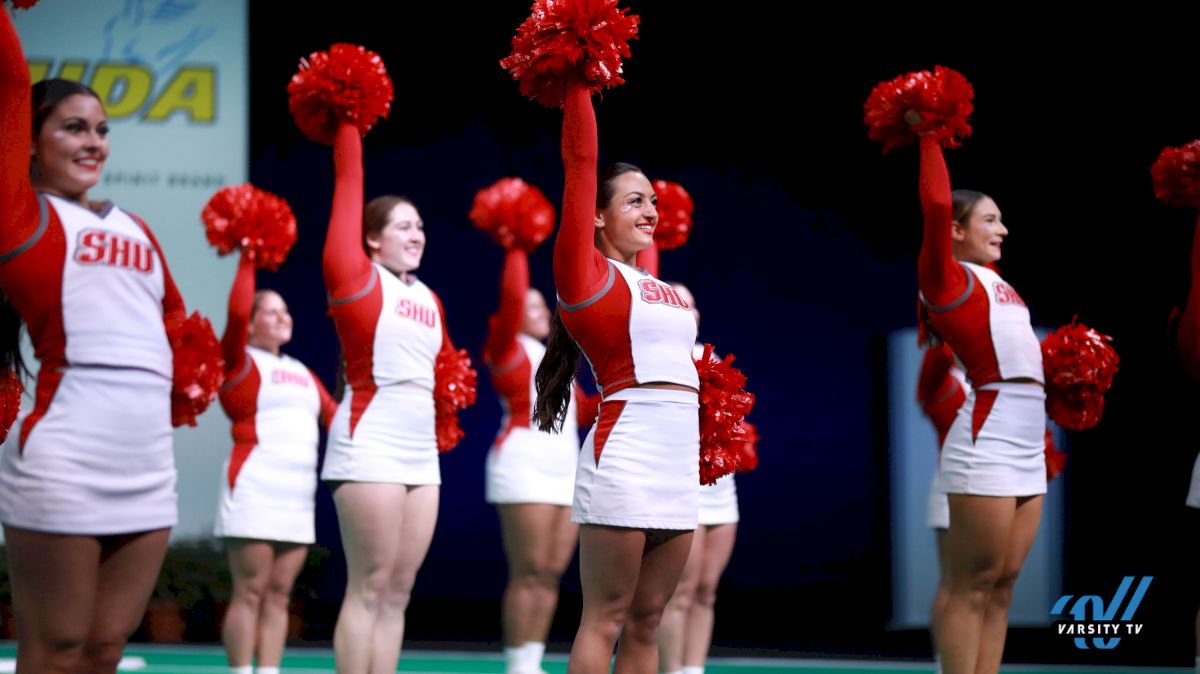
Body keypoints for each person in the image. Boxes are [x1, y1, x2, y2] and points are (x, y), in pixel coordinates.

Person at [0, 11, 189, 672]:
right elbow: (7, 84)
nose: (94, 143)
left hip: (147, 462)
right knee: (56, 647)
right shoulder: (24, 220)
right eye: (73, 127)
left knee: (106, 648)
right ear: (29, 139)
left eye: (102, 130)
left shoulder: (134, 224)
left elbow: (179, 330)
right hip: (65, 455)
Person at [532, 76, 701, 674]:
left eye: (652, 200)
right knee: (604, 617)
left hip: (679, 464)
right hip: (625, 457)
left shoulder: (656, 284)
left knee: (649, 620)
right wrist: (578, 82)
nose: (650, 211)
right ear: (596, 218)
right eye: (634, 201)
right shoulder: (587, 277)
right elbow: (581, 161)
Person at [318, 119, 465, 673]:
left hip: (419, 451)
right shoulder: (356, 279)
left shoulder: (430, 296)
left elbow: (450, 369)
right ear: (372, 238)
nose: (417, 234)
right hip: (369, 441)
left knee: (400, 591)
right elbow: (348, 182)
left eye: (421, 226)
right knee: (370, 585)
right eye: (404, 226)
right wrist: (349, 123)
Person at [914, 127, 1047, 674]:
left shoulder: (1000, 284)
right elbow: (937, 200)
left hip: (1027, 440)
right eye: (989, 220)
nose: (1003, 229)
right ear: (955, 232)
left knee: (1003, 586)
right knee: (972, 585)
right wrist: (927, 133)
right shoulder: (947, 280)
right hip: (986, 436)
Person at [215, 251, 337, 674]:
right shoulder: (240, 363)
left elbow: (338, 419)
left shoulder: (302, 371)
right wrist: (248, 258)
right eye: (270, 311)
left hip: (296, 495)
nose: (284, 317)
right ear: (250, 324)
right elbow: (233, 311)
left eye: (286, 311)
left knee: (281, 593)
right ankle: (239, 671)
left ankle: (269, 670)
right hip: (254, 487)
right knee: (250, 590)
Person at [484, 245, 598, 674]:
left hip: (564, 469)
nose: (535, 310)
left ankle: (531, 661)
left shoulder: (557, 364)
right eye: (528, 304)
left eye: (540, 305)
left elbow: (581, 412)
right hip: (522, 466)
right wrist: (515, 245)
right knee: (528, 569)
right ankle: (516, 663)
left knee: (550, 571)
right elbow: (511, 300)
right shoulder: (507, 350)